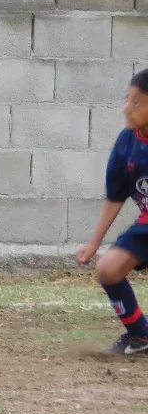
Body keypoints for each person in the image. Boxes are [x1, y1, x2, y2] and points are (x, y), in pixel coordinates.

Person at [76, 69, 148, 355]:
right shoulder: (126, 142)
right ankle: (140, 337)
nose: (127, 108)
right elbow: (115, 197)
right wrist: (94, 243)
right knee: (108, 269)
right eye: (126, 99)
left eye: (137, 102)